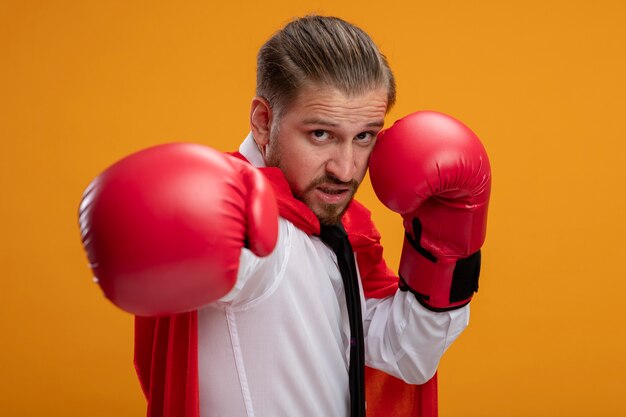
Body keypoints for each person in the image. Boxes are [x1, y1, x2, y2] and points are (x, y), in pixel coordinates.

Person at [79, 15, 491, 417]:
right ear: (263, 121)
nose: (346, 169)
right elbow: (242, 261)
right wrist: (163, 221)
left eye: (364, 136)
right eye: (321, 134)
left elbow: (405, 355)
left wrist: (448, 252)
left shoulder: (338, 231)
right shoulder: (255, 228)